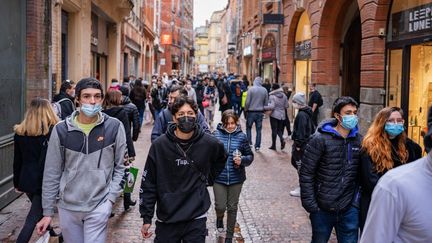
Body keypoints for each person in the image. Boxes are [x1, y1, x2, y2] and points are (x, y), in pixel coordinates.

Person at [36, 78, 126, 242]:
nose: (92, 101)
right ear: (77, 98)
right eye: (87, 96)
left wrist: (110, 199)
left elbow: (121, 167)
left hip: (99, 204)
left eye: (97, 96)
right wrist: (47, 212)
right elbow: (52, 172)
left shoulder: (114, 126)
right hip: (68, 207)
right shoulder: (61, 129)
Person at [139, 96, 227, 242]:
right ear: (174, 118)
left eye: (190, 114)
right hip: (167, 218)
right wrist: (146, 216)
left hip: (195, 218)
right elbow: (149, 182)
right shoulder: (160, 146)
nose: (186, 117)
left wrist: (208, 178)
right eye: (181, 114)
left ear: (197, 116)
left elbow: (221, 157)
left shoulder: (208, 143)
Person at [360, 106, 432, 243]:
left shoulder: (410, 146)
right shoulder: (369, 147)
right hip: (377, 203)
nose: (396, 124)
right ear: (382, 123)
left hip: (409, 205)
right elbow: (369, 180)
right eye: (391, 120)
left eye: (399, 120)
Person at [300, 96, 362, 243]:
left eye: (354, 112)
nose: (352, 116)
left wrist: (355, 203)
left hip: (349, 209)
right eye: (348, 113)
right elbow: (306, 172)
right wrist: (312, 206)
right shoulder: (319, 139)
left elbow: (361, 175)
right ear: (337, 115)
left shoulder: (360, 141)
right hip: (322, 209)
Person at [13, 98, 60, 243]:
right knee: (32, 218)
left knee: (39, 211)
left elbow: (17, 161)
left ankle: (53, 234)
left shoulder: (21, 131)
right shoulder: (53, 131)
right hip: (44, 180)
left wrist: (17, 182)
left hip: (26, 179)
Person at [213, 110, 254, 243]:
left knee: (232, 207)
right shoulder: (216, 135)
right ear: (223, 123)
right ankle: (219, 217)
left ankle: (229, 236)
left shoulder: (242, 137)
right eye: (227, 123)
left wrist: (242, 160)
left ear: (236, 122)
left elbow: (250, 156)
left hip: (236, 178)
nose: (230, 126)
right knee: (220, 206)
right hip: (219, 177)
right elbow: (209, 155)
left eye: (232, 123)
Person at [289, 92, 315, 197]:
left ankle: (303, 188)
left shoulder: (302, 115)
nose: (292, 103)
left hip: (302, 145)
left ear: (298, 103)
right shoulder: (306, 113)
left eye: (294, 102)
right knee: (297, 164)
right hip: (305, 143)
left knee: (300, 166)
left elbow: (302, 131)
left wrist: (298, 145)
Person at [244, 76, 269, 151]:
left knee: (248, 128)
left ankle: (249, 143)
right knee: (259, 130)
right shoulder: (264, 90)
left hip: (251, 112)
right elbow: (266, 103)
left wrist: (246, 109)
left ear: (254, 81)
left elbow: (247, 102)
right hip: (260, 112)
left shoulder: (251, 89)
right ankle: (257, 146)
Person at [264, 83, 288, 151]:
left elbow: (272, 106)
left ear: (273, 89)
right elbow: (286, 106)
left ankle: (273, 145)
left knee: (274, 130)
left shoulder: (272, 96)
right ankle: (282, 140)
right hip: (282, 115)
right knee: (279, 130)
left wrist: (263, 107)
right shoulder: (284, 95)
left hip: (274, 115)